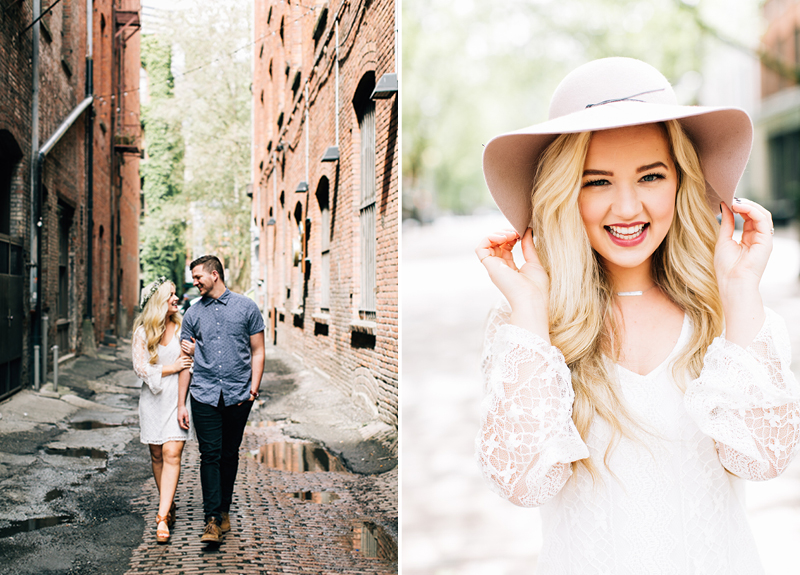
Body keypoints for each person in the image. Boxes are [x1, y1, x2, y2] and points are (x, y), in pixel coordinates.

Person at [475, 57, 800, 574]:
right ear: (564, 194)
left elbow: (762, 460)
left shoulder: (731, 316)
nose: (627, 208)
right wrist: (532, 309)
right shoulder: (529, 331)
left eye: (650, 175)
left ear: (680, 182)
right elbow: (523, 483)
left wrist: (739, 291)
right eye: (596, 182)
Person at [177, 255, 265, 544]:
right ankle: (212, 519)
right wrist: (181, 402)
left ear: (215, 274)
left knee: (229, 454)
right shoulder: (192, 313)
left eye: (198, 276)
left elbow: (258, 351)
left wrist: (252, 391)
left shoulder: (246, 307)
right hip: (204, 394)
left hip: (239, 395)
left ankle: (224, 509)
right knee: (209, 455)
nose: (195, 282)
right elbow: (185, 361)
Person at [132, 277, 195, 544]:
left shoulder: (183, 328)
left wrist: (194, 352)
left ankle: (161, 517)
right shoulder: (142, 332)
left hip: (176, 398)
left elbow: (189, 365)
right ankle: (168, 505)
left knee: (171, 452)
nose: (176, 298)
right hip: (152, 401)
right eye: (171, 294)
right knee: (157, 454)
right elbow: (142, 369)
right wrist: (172, 367)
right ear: (159, 300)